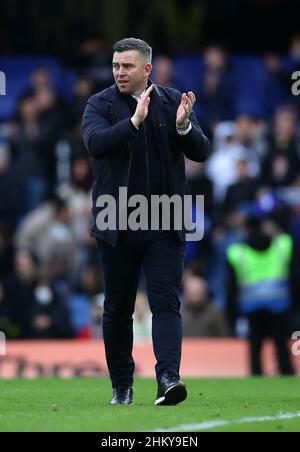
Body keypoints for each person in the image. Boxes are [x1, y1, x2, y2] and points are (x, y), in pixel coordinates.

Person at [82, 38, 210, 406]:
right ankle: (122, 385)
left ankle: (168, 377)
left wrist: (185, 127)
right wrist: (134, 122)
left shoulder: (173, 102)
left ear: (147, 69)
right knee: (117, 308)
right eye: (116, 66)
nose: (120, 72)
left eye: (127, 66)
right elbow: (95, 143)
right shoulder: (99, 104)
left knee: (166, 303)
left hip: (164, 220)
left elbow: (201, 151)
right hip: (116, 219)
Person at [226, 216, 297, 375]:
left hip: (252, 308)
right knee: (281, 344)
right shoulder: (283, 245)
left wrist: (232, 314)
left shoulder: (237, 252)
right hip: (280, 305)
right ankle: (286, 372)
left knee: (255, 346)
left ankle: (256, 374)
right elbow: (295, 276)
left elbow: (231, 287)